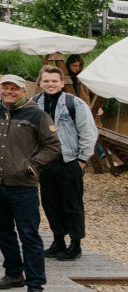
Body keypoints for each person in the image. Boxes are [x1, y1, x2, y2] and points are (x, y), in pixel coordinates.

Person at [0, 75, 59, 292]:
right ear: (0, 89)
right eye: (5, 87)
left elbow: (52, 146)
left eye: (15, 88)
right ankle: (13, 273)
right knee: (2, 231)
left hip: (23, 186)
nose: (9, 91)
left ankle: (36, 286)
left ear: (23, 91)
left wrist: (31, 166)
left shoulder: (37, 115)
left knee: (29, 235)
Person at [34, 65, 98, 260]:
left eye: (54, 81)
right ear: (41, 83)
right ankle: (58, 239)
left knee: (72, 203)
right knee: (51, 203)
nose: (50, 84)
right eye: (46, 81)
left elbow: (88, 132)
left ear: (62, 83)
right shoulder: (35, 103)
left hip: (69, 160)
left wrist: (81, 160)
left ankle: (75, 244)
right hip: (46, 162)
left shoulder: (75, 104)